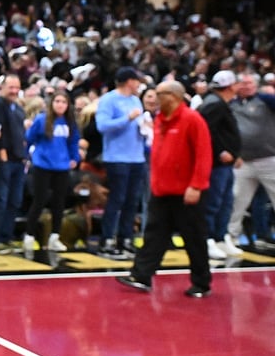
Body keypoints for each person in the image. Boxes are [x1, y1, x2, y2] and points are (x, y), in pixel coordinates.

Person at [117, 80, 213, 297]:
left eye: (161, 94)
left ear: (175, 96)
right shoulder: (160, 120)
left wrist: (196, 185)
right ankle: (141, 275)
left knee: (194, 238)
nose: (156, 98)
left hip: (187, 191)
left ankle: (202, 282)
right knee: (154, 234)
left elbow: (203, 155)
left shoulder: (192, 119)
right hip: (162, 191)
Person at [95, 66, 147, 258]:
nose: (139, 85)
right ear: (129, 81)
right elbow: (102, 126)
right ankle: (107, 239)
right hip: (117, 157)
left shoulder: (135, 100)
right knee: (117, 199)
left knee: (132, 201)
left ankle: (126, 239)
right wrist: (126, 119)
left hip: (137, 156)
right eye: (137, 81)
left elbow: (138, 125)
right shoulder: (109, 100)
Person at [23, 89, 81, 257]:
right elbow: (29, 137)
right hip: (43, 165)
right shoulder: (42, 119)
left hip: (62, 167)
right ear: (51, 104)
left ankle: (55, 237)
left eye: (63, 102)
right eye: (57, 102)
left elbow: (74, 142)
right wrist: (30, 155)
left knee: (59, 202)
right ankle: (29, 235)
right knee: (39, 201)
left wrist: (74, 158)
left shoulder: (70, 122)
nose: (60, 105)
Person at [226, 71, 275, 252]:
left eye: (249, 83)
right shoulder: (231, 103)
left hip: (269, 158)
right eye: (242, 83)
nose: (246, 86)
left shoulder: (266, 100)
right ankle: (230, 237)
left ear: (255, 85)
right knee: (237, 200)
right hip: (242, 161)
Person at [197, 70, 241, 260]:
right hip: (216, 164)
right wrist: (220, 151)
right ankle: (207, 239)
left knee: (226, 201)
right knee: (213, 202)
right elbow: (205, 131)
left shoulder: (219, 102)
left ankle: (220, 236)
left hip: (226, 164)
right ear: (230, 86)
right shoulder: (214, 105)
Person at [0, 72, 28, 253]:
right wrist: (2, 157)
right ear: (2, 87)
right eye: (11, 87)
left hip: (18, 160)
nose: (14, 91)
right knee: (0, 199)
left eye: (17, 87)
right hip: (4, 160)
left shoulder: (18, 109)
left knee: (15, 201)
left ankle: (6, 236)